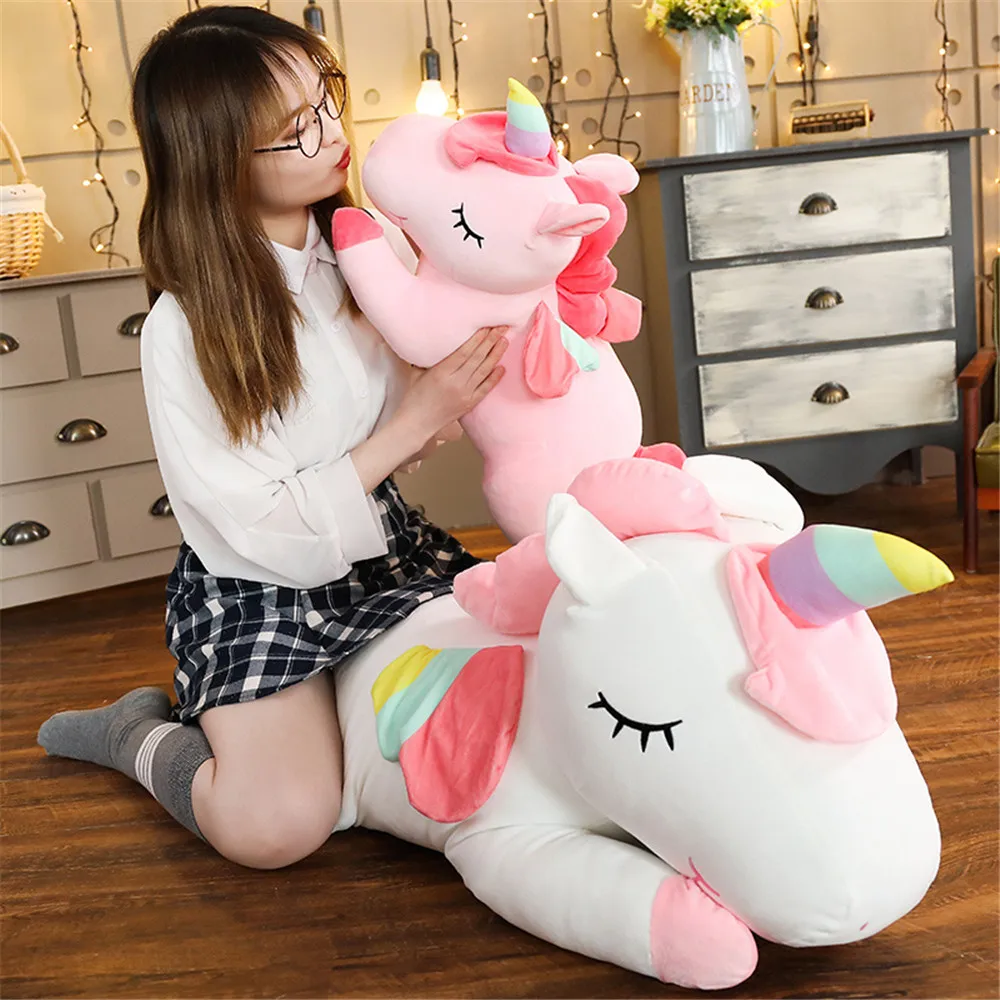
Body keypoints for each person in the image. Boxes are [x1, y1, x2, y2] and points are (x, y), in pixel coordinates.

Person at [37, 4, 507, 870]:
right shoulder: (184, 327)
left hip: (381, 550)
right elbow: (248, 519)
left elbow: (413, 409)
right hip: (254, 585)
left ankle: (327, 717)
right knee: (275, 827)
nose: (333, 133)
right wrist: (415, 419)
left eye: (327, 99)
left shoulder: (370, 251)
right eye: (296, 128)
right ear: (218, 156)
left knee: (506, 702)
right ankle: (135, 732)